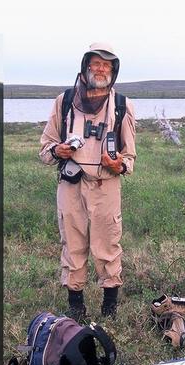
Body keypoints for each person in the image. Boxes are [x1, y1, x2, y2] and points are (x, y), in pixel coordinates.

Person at [39, 43, 136, 319]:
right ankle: (76, 306)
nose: (101, 69)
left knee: (107, 246)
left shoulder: (121, 105)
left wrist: (118, 164)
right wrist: (58, 150)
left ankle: (109, 308)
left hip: (106, 185)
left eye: (106, 65)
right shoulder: (65, 101)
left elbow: (130, 157)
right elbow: (45, 148)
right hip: (70, 185)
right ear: (86, 66)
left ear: (113, 70)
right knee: (72, 243)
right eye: (96, 63)